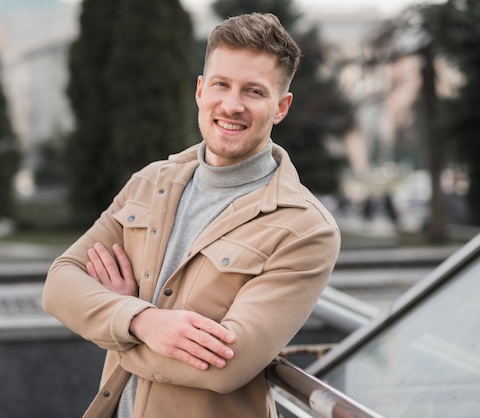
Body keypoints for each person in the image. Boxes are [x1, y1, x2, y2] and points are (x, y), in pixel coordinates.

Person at [43, 12, 341, 418]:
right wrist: (141, 321)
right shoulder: (150, 182)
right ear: (200, 90)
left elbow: (225, 366)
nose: (232, 105)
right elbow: (60, 283)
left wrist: (110, 324)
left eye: (254, 91)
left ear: (281, 107)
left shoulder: (306, 229)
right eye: (221, 84)